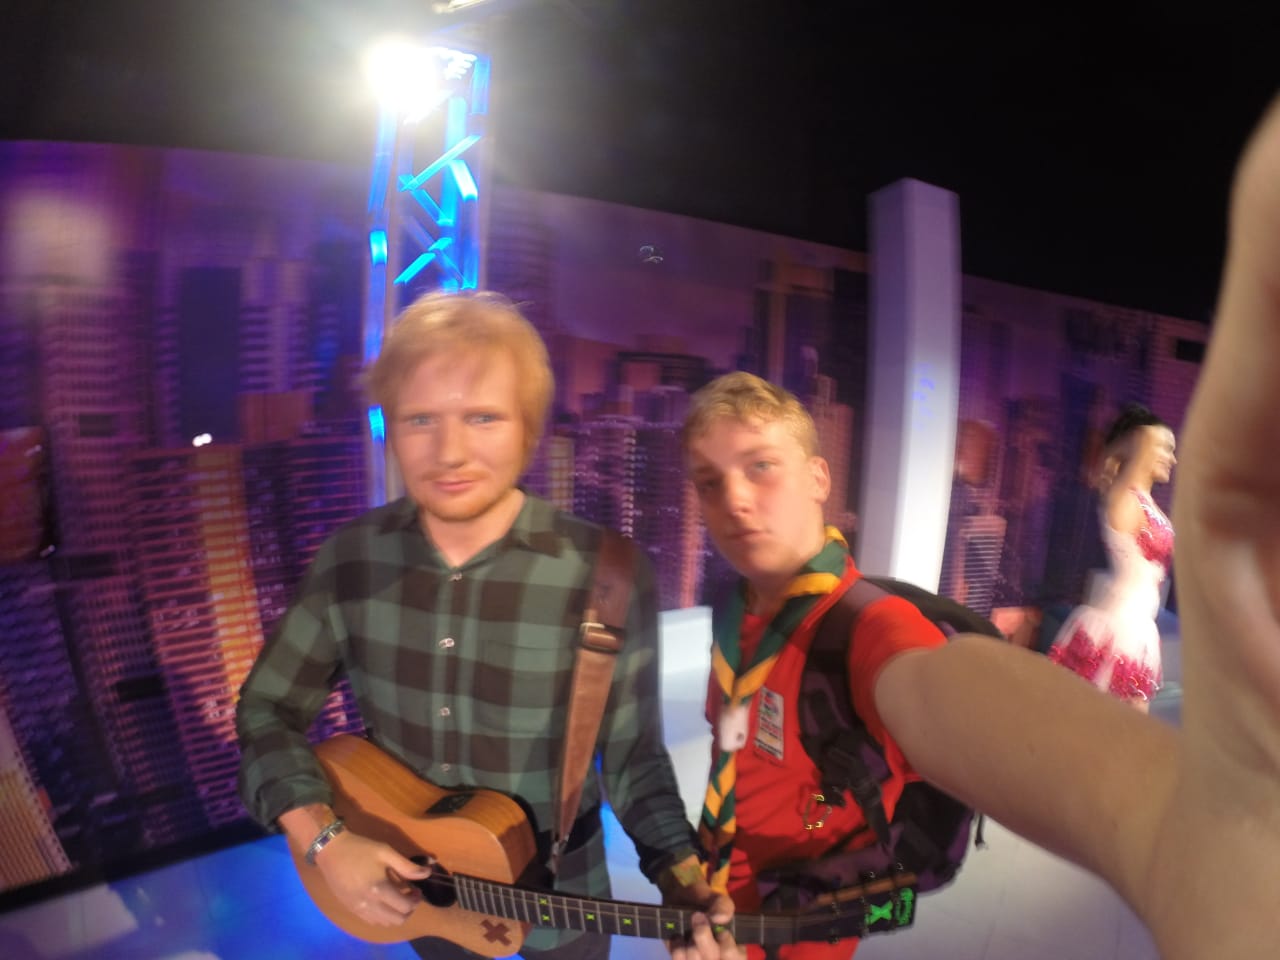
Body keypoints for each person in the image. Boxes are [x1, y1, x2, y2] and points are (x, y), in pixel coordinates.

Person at [674, 96, 1280, 960]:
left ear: (820, 477)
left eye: (760, 466)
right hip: (723, 910)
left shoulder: (863, 627)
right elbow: (736, 762)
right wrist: (705, 881)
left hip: (797, 932)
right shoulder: (737, 612)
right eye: (709, 481)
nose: (734, 499)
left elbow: (943, 690)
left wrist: (1161, 825)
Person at [235, 291, 730, 960]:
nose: (450, 452)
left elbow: (632, 758)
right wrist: (325, 840)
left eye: (483, 417)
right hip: (421, 892)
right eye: (420, 420)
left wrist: (683, 880)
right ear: (389, 427)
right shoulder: (351, 559)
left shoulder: (607, 573)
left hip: (563, 898)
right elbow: (267, 708)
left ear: (528, 429)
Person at [1047, 404, 1176, 710]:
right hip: (1118, 631)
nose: (1172, 458)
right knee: (1098, 720)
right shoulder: (1125, 498)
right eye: (1164, 447)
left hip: (1137, 629)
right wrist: (1140, 442)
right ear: (1141, 445)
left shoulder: (1145, 501)